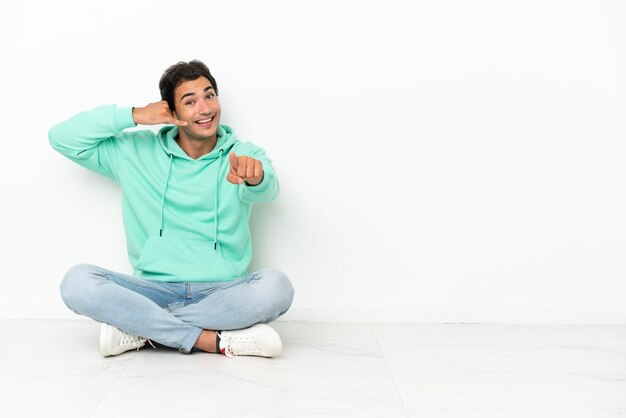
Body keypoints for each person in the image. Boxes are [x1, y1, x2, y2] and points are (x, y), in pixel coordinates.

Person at [49, 60, 294, 358]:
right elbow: (62, 138)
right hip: (152, 290)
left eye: (209, 95)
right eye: (190, 101)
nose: (205, 109)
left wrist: (256, 178)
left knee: (277, 287)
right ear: (171, 112)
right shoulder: (134, 151)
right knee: (77, 282)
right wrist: (135, 115)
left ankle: (141, 329)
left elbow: (269, 188)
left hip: (223, 292)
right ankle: (212, 340)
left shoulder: (241, 154)